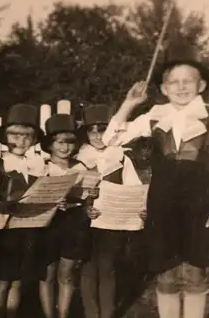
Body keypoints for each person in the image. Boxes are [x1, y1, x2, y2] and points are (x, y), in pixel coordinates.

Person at [101, 59, 209, 318]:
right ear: (163, 88)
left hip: (199, 200)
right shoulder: (154, 116)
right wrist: (129, 105)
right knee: (166, 274)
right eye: (174, 81)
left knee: (195, 273)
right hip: (163, 200)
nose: (181, 87)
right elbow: (110, 139)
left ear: (201, 85)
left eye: (188, 81)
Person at [77, 104, 145, 318]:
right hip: (82, 223)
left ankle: (107, 314)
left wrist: (141, 210)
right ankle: (91, 313)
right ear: (86, 134)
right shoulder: (79, 158)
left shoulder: (121, 158)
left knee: (107, 266)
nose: (98, 135)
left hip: (111, 221)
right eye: (92, 130)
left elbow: (134, 190)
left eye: (103, 129)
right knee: (87, 268)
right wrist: (85, 208)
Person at [0, 103, 46, 318]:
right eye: (15, 135)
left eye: (26, 137)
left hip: (29, 229)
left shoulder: (38, 164)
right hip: (5, 232)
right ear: (5, 137)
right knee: (1, 282)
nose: (20, 141)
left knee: (18, 280)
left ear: (33, 140)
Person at [37, 113, 92, 318]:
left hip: (73, 223)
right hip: (48, 224)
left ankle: (64, 314)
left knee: (67, 273)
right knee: (47, 273)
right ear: (50, 145)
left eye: (69, 142)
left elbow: (87, 197)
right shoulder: (41, 167)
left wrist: (91, 194)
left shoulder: (80, 167)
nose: (64, 147)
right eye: (59, 142)